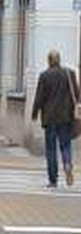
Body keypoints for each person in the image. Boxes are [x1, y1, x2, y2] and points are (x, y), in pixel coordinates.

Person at [31, 49, 79, 188]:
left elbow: (39, 97)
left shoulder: (45, 76)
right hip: (66, 118)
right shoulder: (70, 74)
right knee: (65, 145)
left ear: (49, 60)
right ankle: (67, 163)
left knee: (51, 149)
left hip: (50, 118)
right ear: (59, 59)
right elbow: (76, 94)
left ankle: (53, 180)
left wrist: (34, 113)